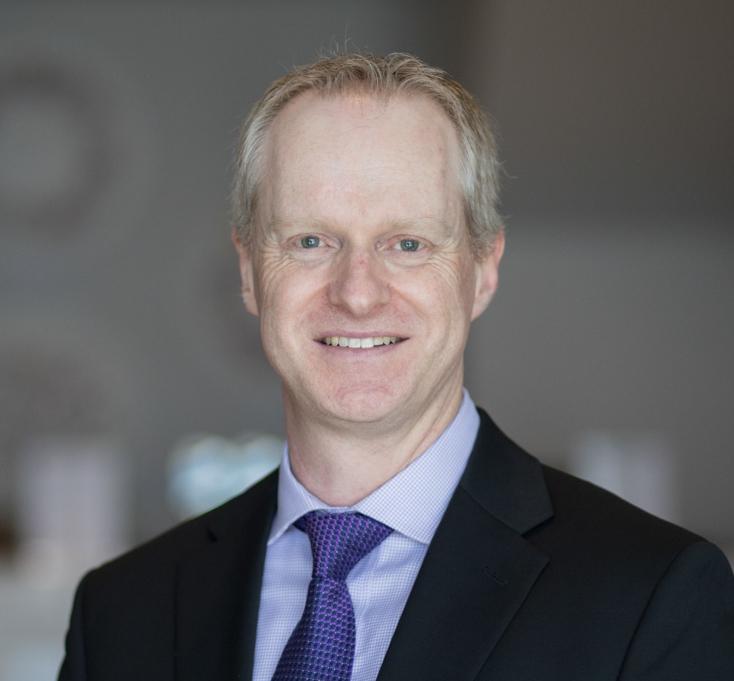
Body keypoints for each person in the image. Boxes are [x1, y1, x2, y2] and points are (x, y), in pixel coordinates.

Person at [58, 52, 733, 681]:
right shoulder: (118, 612)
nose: (357, 292)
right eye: (311, 240)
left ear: (482, 269)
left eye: (407, 243)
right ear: (248, 270)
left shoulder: (652, 593)